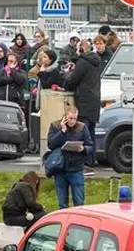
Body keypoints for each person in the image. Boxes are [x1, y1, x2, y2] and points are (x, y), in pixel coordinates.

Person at [62, 41, 101, 170]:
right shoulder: (96, 61)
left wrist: (67, 73)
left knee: (82, 131)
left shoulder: (83, 62)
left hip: (84, 101)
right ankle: (91, 159)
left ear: (82, 50)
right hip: (94, 100)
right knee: (91, 132)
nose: (76, 52)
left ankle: (84, 161)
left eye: (78, 49)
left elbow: (72, 80)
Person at [47, 106, 93, 209]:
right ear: (65, 117)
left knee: (79, 203)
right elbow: (51, 144)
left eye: (75, 118)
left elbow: (90, 145)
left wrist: (83, 149)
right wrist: (62, 132)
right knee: (62, 204)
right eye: (70, 118)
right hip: (60, 168)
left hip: (76, 169)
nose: (73, 121)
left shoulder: (82, 127)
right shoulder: (55, 126)